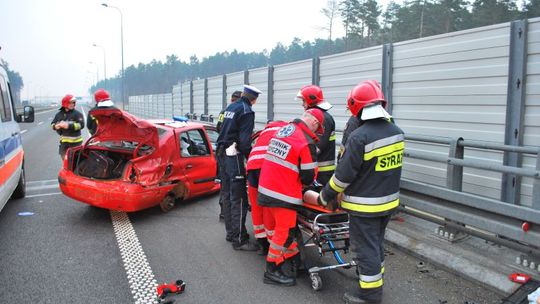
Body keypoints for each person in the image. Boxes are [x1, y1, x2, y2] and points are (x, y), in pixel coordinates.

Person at [318, 80, 404, 304]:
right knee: (376, 246)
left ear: (357, 106)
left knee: (365, 251)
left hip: (365, 207)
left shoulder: (359, 137)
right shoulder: (396, 132)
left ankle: (369, 296)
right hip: (388, 204)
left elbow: (342, 177)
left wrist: (325, 195)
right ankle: (377, 281)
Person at [257, 108, 324, 286]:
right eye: (318, 129)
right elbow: (309, 176)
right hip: (283, 192)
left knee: (275, 228)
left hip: (266, 188)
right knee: (285, 231)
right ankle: (272, 271)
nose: (317, 133)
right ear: (315, 123)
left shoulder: (285, 130)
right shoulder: (306, 141)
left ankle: (293, 259)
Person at [216, 84, 261, 251]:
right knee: (239, 197)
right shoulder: (246, 111)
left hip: (221, 154)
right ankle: (240, 238)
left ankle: (231, 233)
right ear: (254, 100)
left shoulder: (231, 107)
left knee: (227, 194)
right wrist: (252, 158)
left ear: (243, 94)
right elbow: (244, 141)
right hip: (233, 155)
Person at [246, 120, 288, 256]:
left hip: (252, 168)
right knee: (269, 206)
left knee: (257, 206)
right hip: (268, 167)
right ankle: (272, 245)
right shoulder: (286, 132)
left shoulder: (263, 132)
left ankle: (262, 243)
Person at [296, 85, 336, 186]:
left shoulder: (323, 119)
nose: (302, 105)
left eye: (303, 101)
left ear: (311, 100)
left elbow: (317, 147)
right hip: (315, 169)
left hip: (322, 173)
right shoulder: (316, 117)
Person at [216, 90, 243, 221]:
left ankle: (224, 213)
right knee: (233, 185)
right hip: (231, 151)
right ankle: (231, 214)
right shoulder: (239, 112)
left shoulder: (224, 112)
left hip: (221, 150)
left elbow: (218, 127)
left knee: (224, 184)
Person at [51, 94, 85, 160]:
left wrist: (69, 126)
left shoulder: (77, 114)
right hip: (64, 144)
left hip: (76, 143)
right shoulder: (59, 114)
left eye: (73, 102)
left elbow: (81, 125)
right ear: (65, 103)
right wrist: (55, 126)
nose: (72, 104)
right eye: (70, 103)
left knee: (76, 162)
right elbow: (52, 124)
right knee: (65, 162)